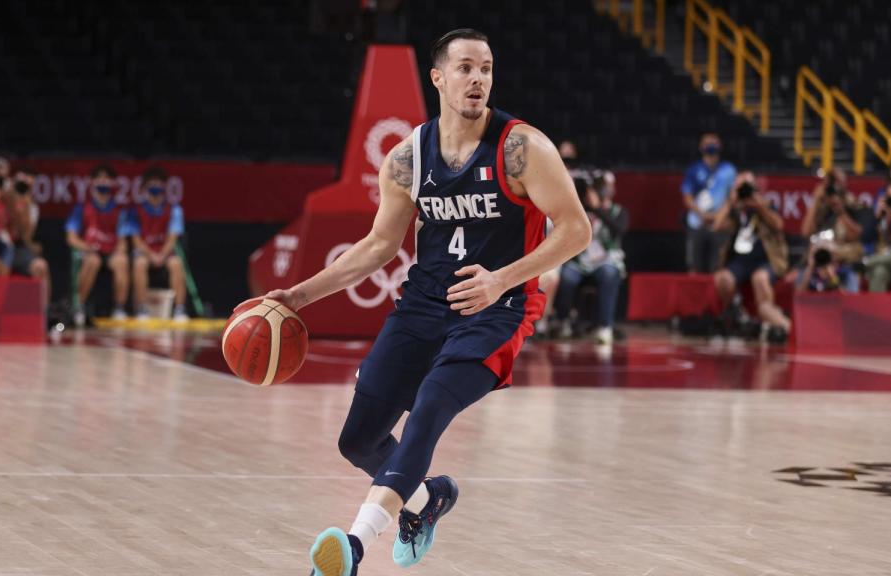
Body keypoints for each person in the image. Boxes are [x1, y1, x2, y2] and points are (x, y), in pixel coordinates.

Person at [260, 29, 591, 576]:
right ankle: (426, 498)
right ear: (437, 78)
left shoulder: (522, 149)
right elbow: (376, 247)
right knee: (359, 438)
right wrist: (298, 296)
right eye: (464, 67)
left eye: (486, 67)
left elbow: (577, 231)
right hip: (422, 306)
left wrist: (501, 279)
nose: (478, 78)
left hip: (496, 309)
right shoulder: (407, 158)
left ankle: (354, 546)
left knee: (430, 409)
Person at [712, 172, 791, 342]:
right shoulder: (736, 210)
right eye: (740, 187)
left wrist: (758, 205)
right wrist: (730, 202)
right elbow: (717, 226)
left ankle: (770, 318)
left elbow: (778, 225)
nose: (744, 192)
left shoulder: (766, 205)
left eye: (747, 187)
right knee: (723, 278)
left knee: (760, 279)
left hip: (766, 260)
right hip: (740, 261)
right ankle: (738, 315)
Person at [554, 170, 627, 344]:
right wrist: (587, 207)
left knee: (609, 274)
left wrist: (596, 209)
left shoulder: (618, 211)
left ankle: (605, 326)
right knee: (566, 277)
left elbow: (619, 230)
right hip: (581, 260)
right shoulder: (579, 211)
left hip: (606, 259)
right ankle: (563, 321)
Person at [65, 164, 132, 325]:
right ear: (92, 182)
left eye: (106, 178)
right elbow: (71, 238)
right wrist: (86, 247)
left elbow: (122, 241)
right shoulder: (81, 208)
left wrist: (119, 251)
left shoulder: (119, 210)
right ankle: (78, 306)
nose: (103, 181)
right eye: (99, 178)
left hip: (110, 250)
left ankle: (119, 308)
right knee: (93, 261)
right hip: (89, 250)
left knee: (121, 261)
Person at [129, 166, 189, 322]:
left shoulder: (174, 210)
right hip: (145, 252)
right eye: (151, 185)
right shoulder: (135, 211)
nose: (155, 189)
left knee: (176, 264)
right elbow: (136, 240)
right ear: (144, 189)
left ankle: (179, 309)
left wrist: (161, 255)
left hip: (164, 251)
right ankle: (141, 308)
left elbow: (172, 237)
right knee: (139, 263)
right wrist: (151, 255)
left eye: (158, 185)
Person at [800, 167, 864, 291]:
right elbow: (805, 232)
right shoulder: (820, 205)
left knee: (848, 283)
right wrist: (816, 201)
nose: (834, 186)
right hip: (818, 260)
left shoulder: (852, 204)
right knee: (801, 277)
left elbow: (856, 235)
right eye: (831, 182)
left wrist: (840, 211)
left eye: (838, 182)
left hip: (843, 262)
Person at [681, 133, 737, 274]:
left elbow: (731, 197)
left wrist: (718, 216)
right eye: (707, 142)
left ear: (720, 146)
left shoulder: (728, 170)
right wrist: (702, 215)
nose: (711, 145)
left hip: (719, 223)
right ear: (701, 147)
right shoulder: (693, 170)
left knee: (718, 266)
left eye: (714, 142)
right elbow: (687, 197)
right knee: (694, 266)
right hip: (697, 222)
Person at [2, 166, 51, 307]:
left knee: (41, 266)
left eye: (28, 186)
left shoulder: (31, 208)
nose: (23, 188)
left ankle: (42, 317)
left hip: (16, 248)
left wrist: (25, 208)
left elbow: (26, 237)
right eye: (20, 184)